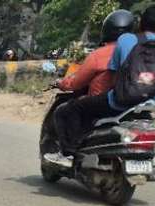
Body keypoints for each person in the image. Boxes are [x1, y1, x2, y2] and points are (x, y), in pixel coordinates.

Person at [50, 4, 155, 160]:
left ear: (140, 22)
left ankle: (68, 154)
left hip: (119, 102)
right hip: (148, 107)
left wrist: (132, 86)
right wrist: (148, 85)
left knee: (71, 109)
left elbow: (113, 76)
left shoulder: (125, 40)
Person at [49, 9, 135, 164]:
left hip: (106, 102)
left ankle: (68, 153)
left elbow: (77, 82)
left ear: (107, 30)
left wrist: (62, 83)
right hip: (134, 102)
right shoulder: (138, 51)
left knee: (63, 111)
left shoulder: (100, 54)